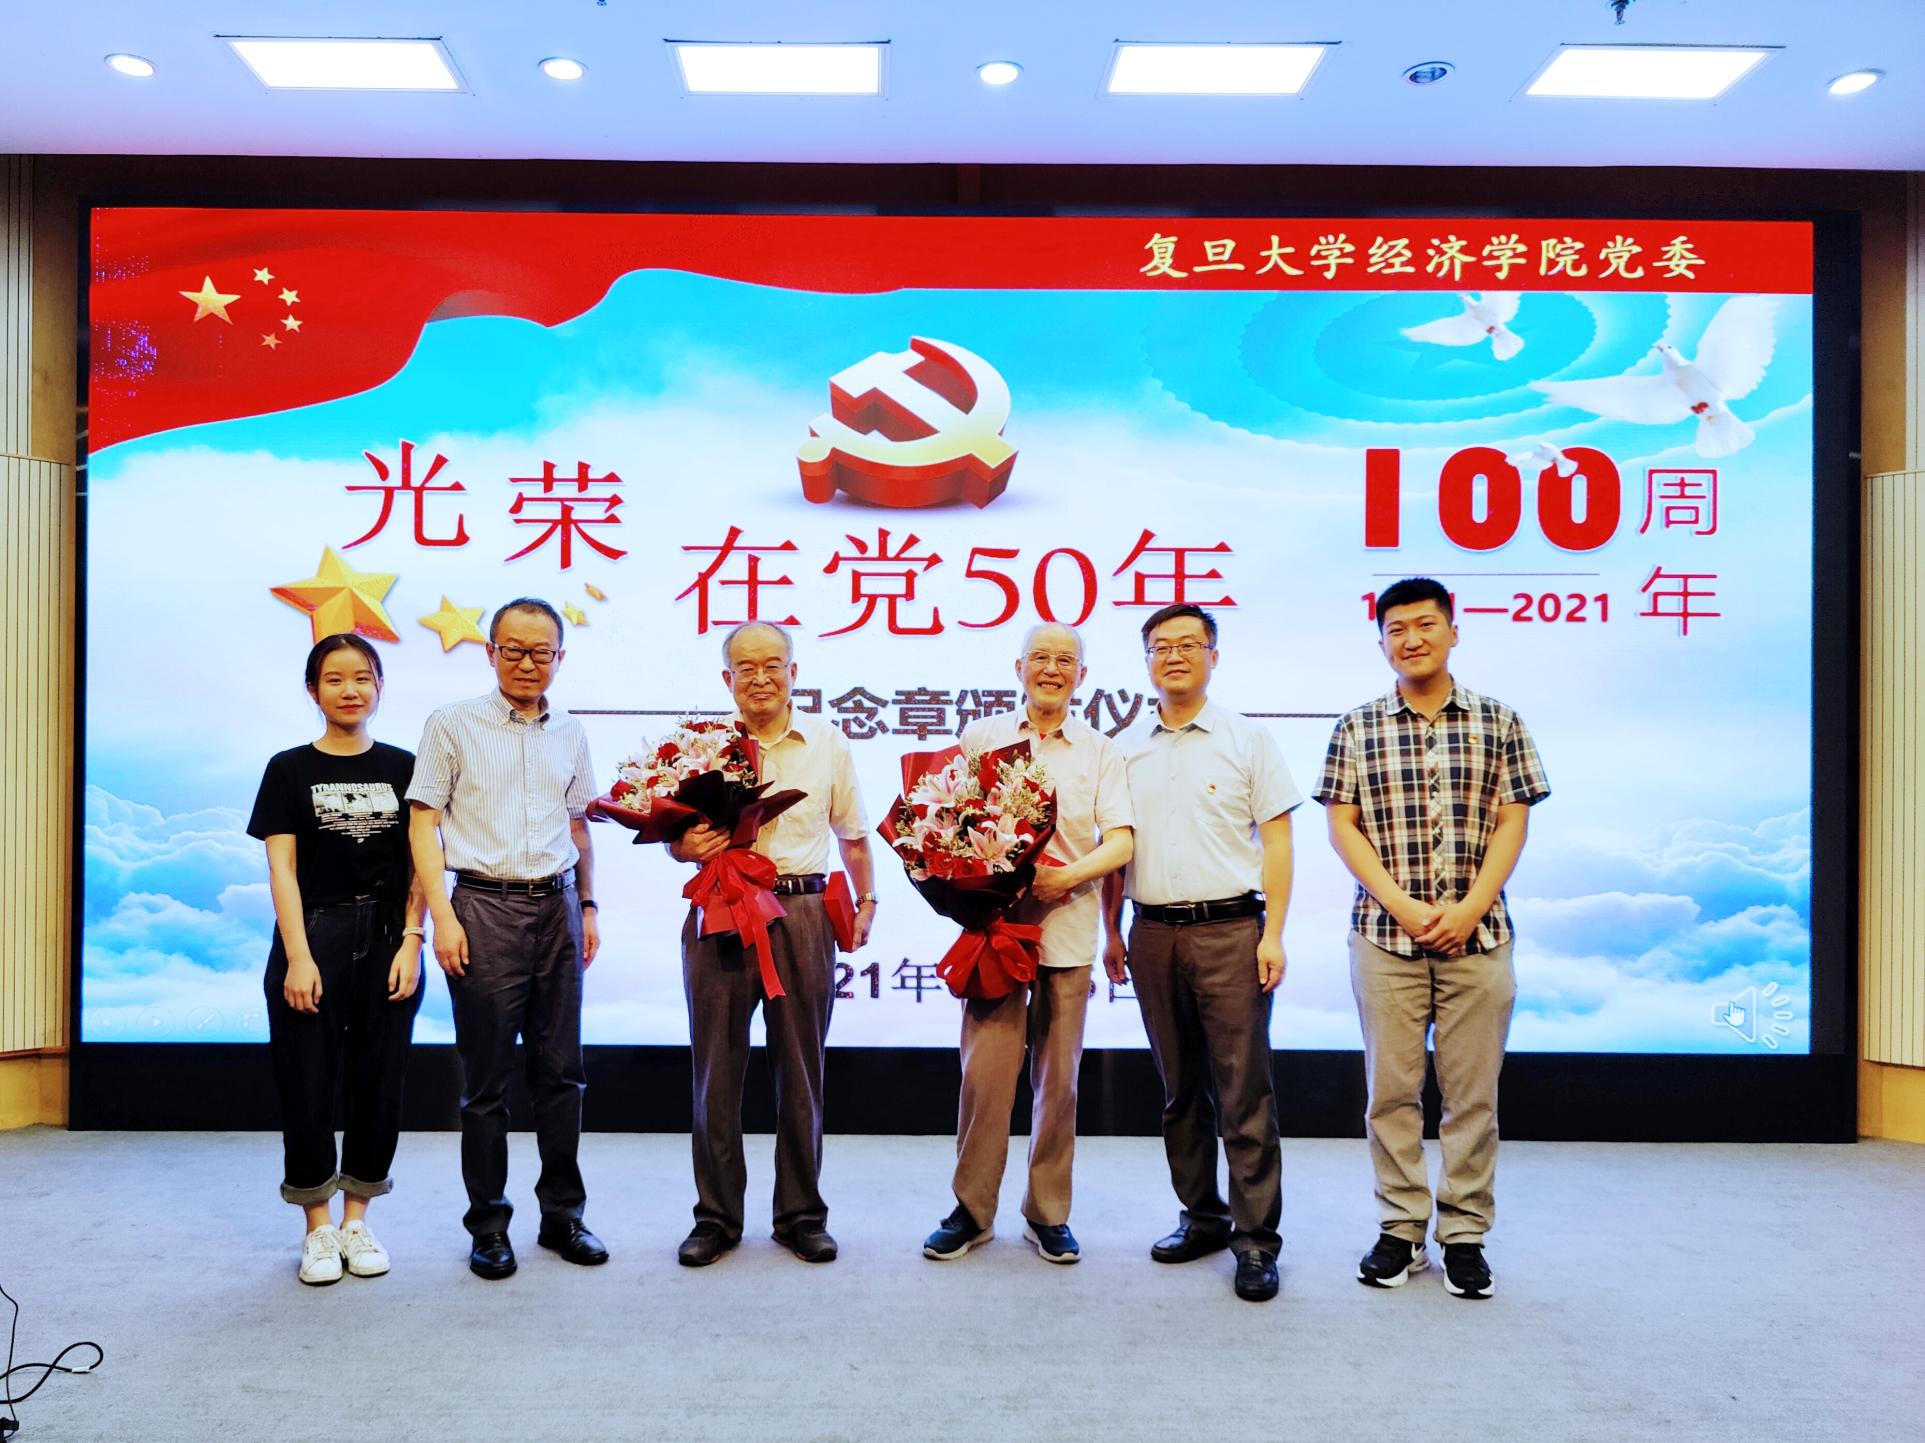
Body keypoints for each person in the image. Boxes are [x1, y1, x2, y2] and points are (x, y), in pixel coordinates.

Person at [1315, 576, 1549, 1300]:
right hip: (1384, 938)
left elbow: (1513, 819)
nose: (1411, 639)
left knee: (1472, 1097)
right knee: (1391, 1093)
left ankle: (1465, 1234)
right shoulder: (1355, 726)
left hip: (1481, 937)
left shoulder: (1499, 720)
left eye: (1424, 624)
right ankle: (1401, 1228)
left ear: (1453, 630)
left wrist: (1471, 906)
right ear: (1381, 642)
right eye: (1396, 629)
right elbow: (1342, 825)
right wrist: (1402, 905)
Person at [1102, 603, 1299, 1303]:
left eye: (1189, 644)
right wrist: (1111, 931)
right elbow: (1115, 848)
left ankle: (1256, 1241)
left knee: (1243, 1090)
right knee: (1179, 1089)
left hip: (1231, 930)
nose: (1175, 656)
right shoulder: (1124, 747)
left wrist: (1274, 933)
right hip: (1152, 932)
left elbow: (1277, 842)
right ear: (1146, 661)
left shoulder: (1248, 740)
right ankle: (1202, 1217)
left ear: (1214, 656)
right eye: (1161, 646)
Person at [406, 598, 606, 1280]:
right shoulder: (452, 724)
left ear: (559, 657)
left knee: (563, 1072)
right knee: (486, 1082)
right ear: (490, 653)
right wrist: (442, 917)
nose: (527, 663)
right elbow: (422, 825)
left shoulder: (570, 731)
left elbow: (578, 826)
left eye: (541, 652)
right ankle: (488, 1226)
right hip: (482, 907)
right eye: (513, 650)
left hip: (559, 907)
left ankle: (563, 1217)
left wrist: (588, 905)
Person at [922, 623, 1133, 1266]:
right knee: (984, 1080)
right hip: (994, 933)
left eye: (1065, 660)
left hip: (1065, 932)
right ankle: (971, 1209)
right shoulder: (982, 737)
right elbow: (944, 824)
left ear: (1081, 676)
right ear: (1018, 669)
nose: (1051, 669)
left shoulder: (1100, 751)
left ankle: (1048, 1212)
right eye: (1039, 657)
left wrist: (1067, 877)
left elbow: (1121, 842)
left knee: (1058, 1084)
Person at [669, 621, 876, 1267]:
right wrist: (684, 846)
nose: (760, 678)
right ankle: (716, 1217)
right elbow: (676, 838)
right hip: (720, 909)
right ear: (726, 678)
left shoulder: (827, 741)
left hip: (802, 909)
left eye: (772, 665)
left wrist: (867, 900)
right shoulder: (700, 747)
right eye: (745, 667)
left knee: (802, 1070)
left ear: (793, 672)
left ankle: (801, 1215)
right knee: (715, 1071)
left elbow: (854, 835)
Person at [247, 633, 426, 1286]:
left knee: (380, 1080)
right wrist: (298, 955)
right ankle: (317, 1228)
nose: (350, 689)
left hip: (388, 935)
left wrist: (413, 940)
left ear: (379, 686)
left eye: (363, 677)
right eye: (334, 679)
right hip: (313, 931)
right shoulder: (288, 768)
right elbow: (281, 867)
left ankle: (357, 1220)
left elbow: (423, 862)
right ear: (312, 689)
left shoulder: (407, 767)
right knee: (307, 1081)